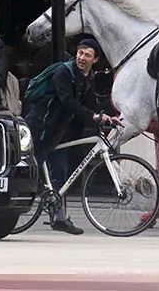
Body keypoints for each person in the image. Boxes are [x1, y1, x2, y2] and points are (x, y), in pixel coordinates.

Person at [24, 38, 120, 235]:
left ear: (95, 60)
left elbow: (89, 104)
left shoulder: (87, 77)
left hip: (59, 131)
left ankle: (58, 218)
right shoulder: (64, 72)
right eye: (80, 53)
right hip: (42, 126)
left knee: (61, 170)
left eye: (87, 55)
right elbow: (68, 102)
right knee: (32, 169)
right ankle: (14, 205)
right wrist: (94, 117)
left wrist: (106, 117)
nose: (82, 58)